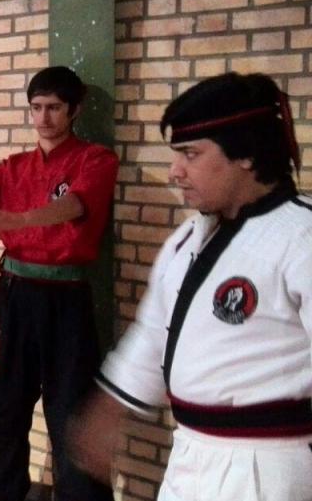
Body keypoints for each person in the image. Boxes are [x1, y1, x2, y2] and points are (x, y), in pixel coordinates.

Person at [70, 72, 312, 501]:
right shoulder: (188, 238)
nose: (175, 172)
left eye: (191, 154)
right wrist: (109, 408)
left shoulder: (300, 235)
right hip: (190, 455)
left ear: (246, 154)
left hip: (267, 467)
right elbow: (153, 333)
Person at [0, 66, 118, 501]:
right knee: (4, 408)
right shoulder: (13, 167)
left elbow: (74, 205)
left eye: (53, 108)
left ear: (75, 109)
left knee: (72, 413)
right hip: (16, 296)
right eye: (36, 108)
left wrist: (18, 219)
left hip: (66, 298)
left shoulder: (95, 160)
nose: (43, 118)